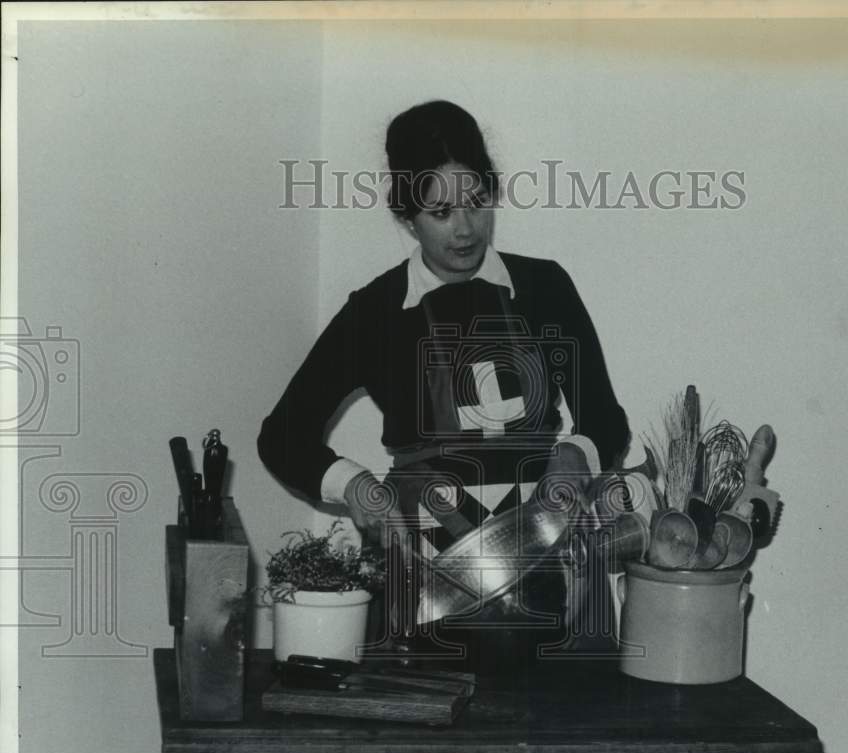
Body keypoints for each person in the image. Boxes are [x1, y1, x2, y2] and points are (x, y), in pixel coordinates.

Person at [258, 100, 630, 669]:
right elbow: (282, 436)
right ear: (406, 217)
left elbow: (606, 421)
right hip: (424, 586)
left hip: (550, 569)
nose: (464, 229)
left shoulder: (545, 288)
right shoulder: (376, 312)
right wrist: (356, 487)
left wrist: (577, 457)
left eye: (477, 203)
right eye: (440, 213)